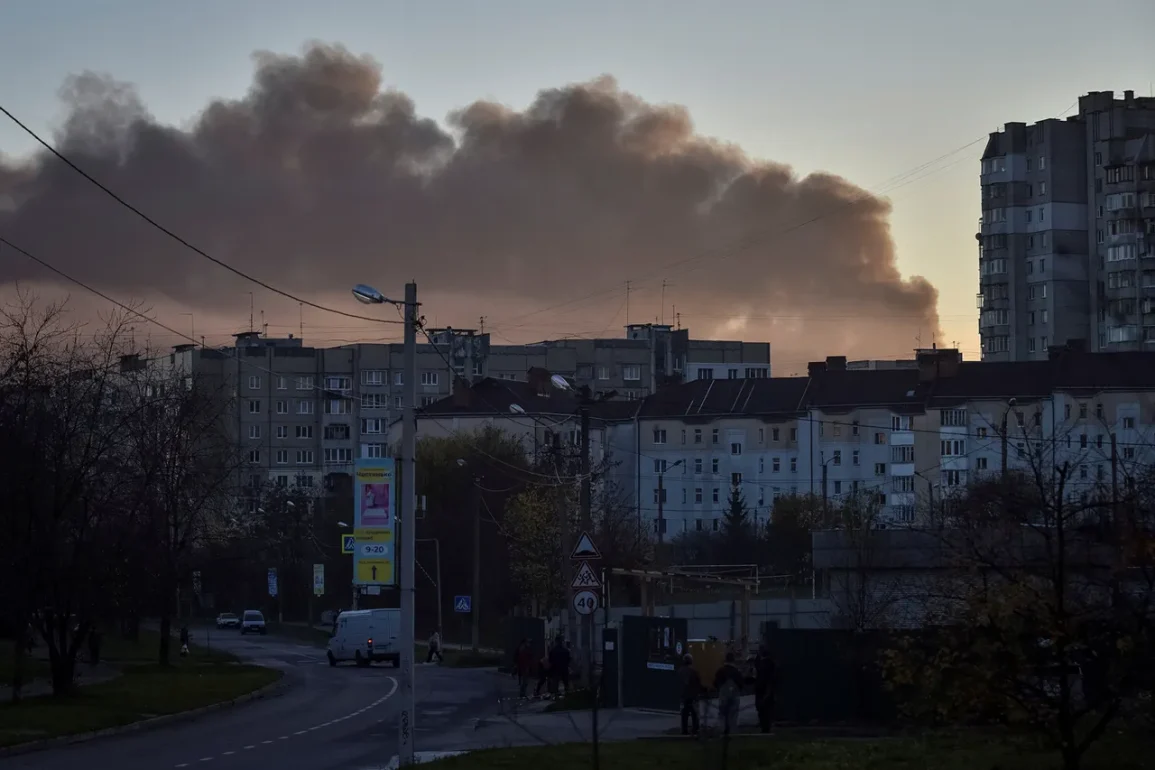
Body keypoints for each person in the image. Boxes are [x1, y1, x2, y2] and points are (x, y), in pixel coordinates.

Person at [713, 651, 744, 736]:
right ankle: (732, 731)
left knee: (723, 713)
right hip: (735, 695)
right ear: (733, 661)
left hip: (723, 695)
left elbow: (715, 683)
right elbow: (741, 684)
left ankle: (723, 730)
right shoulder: (736, 672)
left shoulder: (720, 671)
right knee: (733, 714)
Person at [754, 646, 777, 734]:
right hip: (769, 690)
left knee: (762, 711)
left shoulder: (762, 665)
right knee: (768, 710)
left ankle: (764, 728)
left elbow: (758, 669)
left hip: (762, 690)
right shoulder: (772, 664)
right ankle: (767, 727)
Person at [678, 653, 702, 736]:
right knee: (694, 713)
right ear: (691, 661)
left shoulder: (680, 671)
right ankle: (695, 730)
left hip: (683, 696)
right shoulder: (694, 671)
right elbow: (698, 683)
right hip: (692, 696)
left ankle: (684, 730)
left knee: (684, 714)